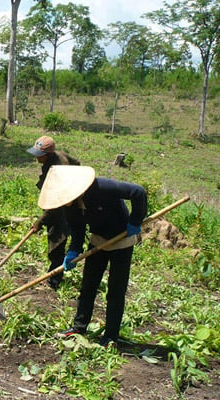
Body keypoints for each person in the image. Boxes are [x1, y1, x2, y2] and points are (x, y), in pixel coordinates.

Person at [37, 165, 147, 348]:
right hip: (98, 241)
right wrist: (74, 250)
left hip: (122, 241)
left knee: (115, 291)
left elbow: (138, 192)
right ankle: (79, 327)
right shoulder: (69, 206)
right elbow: (77, 228)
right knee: (88, 285)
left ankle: (111, 336)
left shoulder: (101, 187)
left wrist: (135, 221)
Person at [26, 135, 80, 289]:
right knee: (56, 240)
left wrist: (39, 222)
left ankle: (54, 279)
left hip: (63, 207)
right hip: (60, 202)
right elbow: (77, 163)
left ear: (48, 154)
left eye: (39, 155)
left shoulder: (58, 169)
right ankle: (54, 274)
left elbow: (54, 206)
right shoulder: (57, 156)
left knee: (56, 242)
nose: (36, 158)